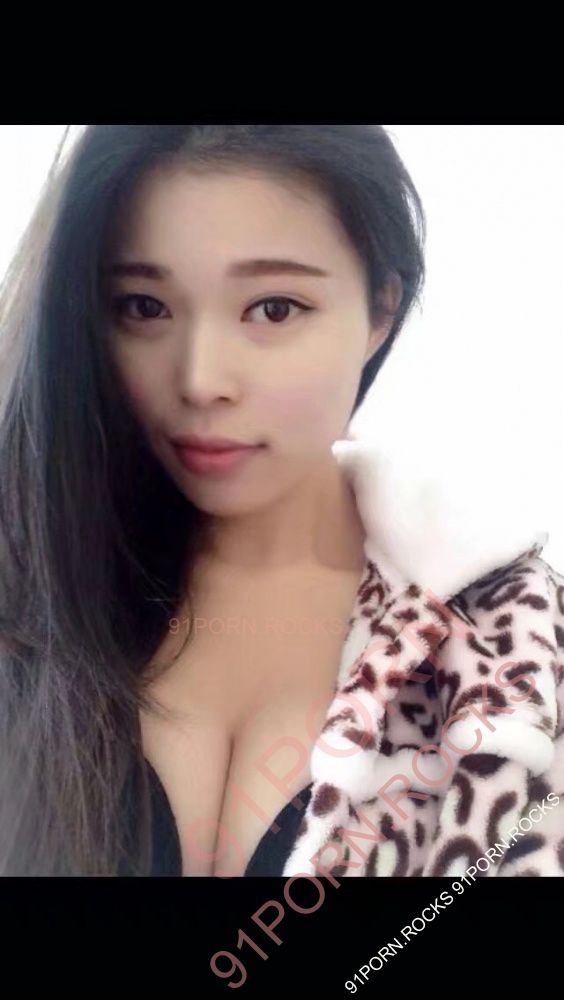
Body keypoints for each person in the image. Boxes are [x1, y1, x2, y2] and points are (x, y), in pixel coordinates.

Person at [0, 125, 562, 878]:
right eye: (144, 306)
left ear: (380, 311)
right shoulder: (29, 595)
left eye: (273, 309)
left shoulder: (513, 645)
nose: (201, 380)